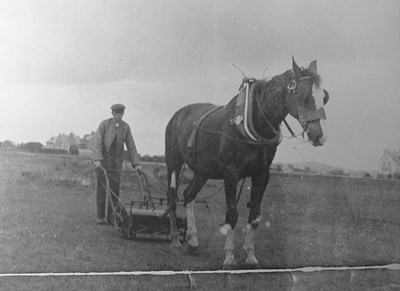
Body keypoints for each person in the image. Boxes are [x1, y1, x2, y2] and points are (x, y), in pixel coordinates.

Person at [93, 103, 142, 225]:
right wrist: (97, 160)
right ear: (112, 113)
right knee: (102, 189)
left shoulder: (126, 127)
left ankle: (111, 217)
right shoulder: (104, 124)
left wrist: (136, 164)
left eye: (120, 114)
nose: (118, 116)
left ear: (123, 114)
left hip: (116, 165)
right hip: (103, 163)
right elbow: (97, 142)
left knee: (115, 191)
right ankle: (100, 217)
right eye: (116, 113)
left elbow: (131, 146)